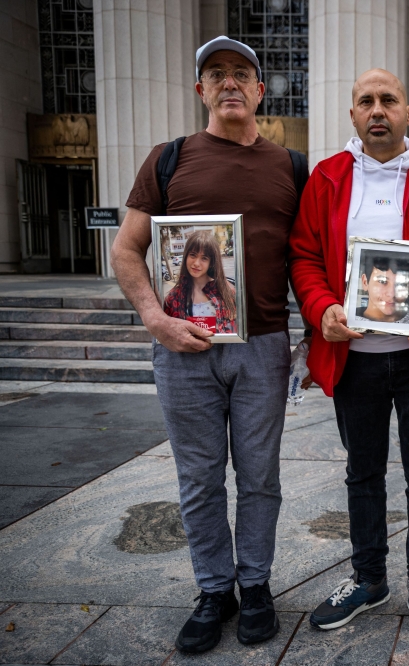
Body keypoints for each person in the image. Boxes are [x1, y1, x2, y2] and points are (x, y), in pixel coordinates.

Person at [110, 36, 303, 653]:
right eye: (216, 73)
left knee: (259, 477)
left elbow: (312, 259)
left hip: (263, 347)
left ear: (259, 91)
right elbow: (126, 248)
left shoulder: (292, 167)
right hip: (182, 345)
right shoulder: (169, 159)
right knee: (198, 479)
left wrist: (315, 339)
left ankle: (256, 584)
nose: (229, 82)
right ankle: (214, 589)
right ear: (201, 91)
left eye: (241, 73)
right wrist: (153, 318)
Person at [289, 68, 409, 646]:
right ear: (352, 114)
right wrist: (322, 306)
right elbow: (302, 256)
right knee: (362, 472)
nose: (377, 109)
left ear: (407, 112)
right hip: (355, 360)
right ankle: (368, 578)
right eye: (365, 101)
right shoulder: (327, 179)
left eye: (388, 100)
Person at [162, 230, 237, 334]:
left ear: (211, 263)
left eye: (204, 258)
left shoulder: (227, 292)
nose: (196, 263)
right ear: (186, 256)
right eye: (193, 255)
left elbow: (234, 332)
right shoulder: (172, 297)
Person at [355, 252, 409, 323]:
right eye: (382, 281)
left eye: (401, 284)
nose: (392, 294)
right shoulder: (346, 321)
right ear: (365, 282)